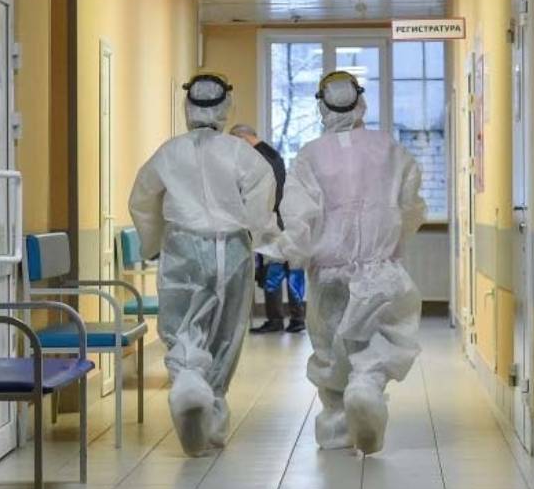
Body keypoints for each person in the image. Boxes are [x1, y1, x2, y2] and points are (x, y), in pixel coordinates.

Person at [258, 70, 425, 455]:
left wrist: (288, 250)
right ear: (359, 101)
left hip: (329, 271)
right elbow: (411, 205)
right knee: (378, 341)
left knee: (331, 354)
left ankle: (337, 430)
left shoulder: (310, 155)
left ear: (322, 106)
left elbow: (299, 217)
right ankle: (366, 386)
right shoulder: (389, 149)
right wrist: (393, 242)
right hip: (380, 269)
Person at [129, 73, 277, 456]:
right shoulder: (239, 152)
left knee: (183, 327)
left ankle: (188, 382)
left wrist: (152, 242)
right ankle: (211, 411)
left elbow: (142, 199)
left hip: (183, 246)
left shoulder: (169, 152)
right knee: (225, 333)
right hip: (232, 249)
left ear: (188, 106)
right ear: (226, 105)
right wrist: (259, 235)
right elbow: (262, 193)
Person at [228, 124, 306, 334]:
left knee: (274, 269)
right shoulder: (273, 154)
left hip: (272, 218)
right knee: (291, 268)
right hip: (285, 216)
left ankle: (275, 319)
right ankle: (297, 317)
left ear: (243, 138)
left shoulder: (257, 157)